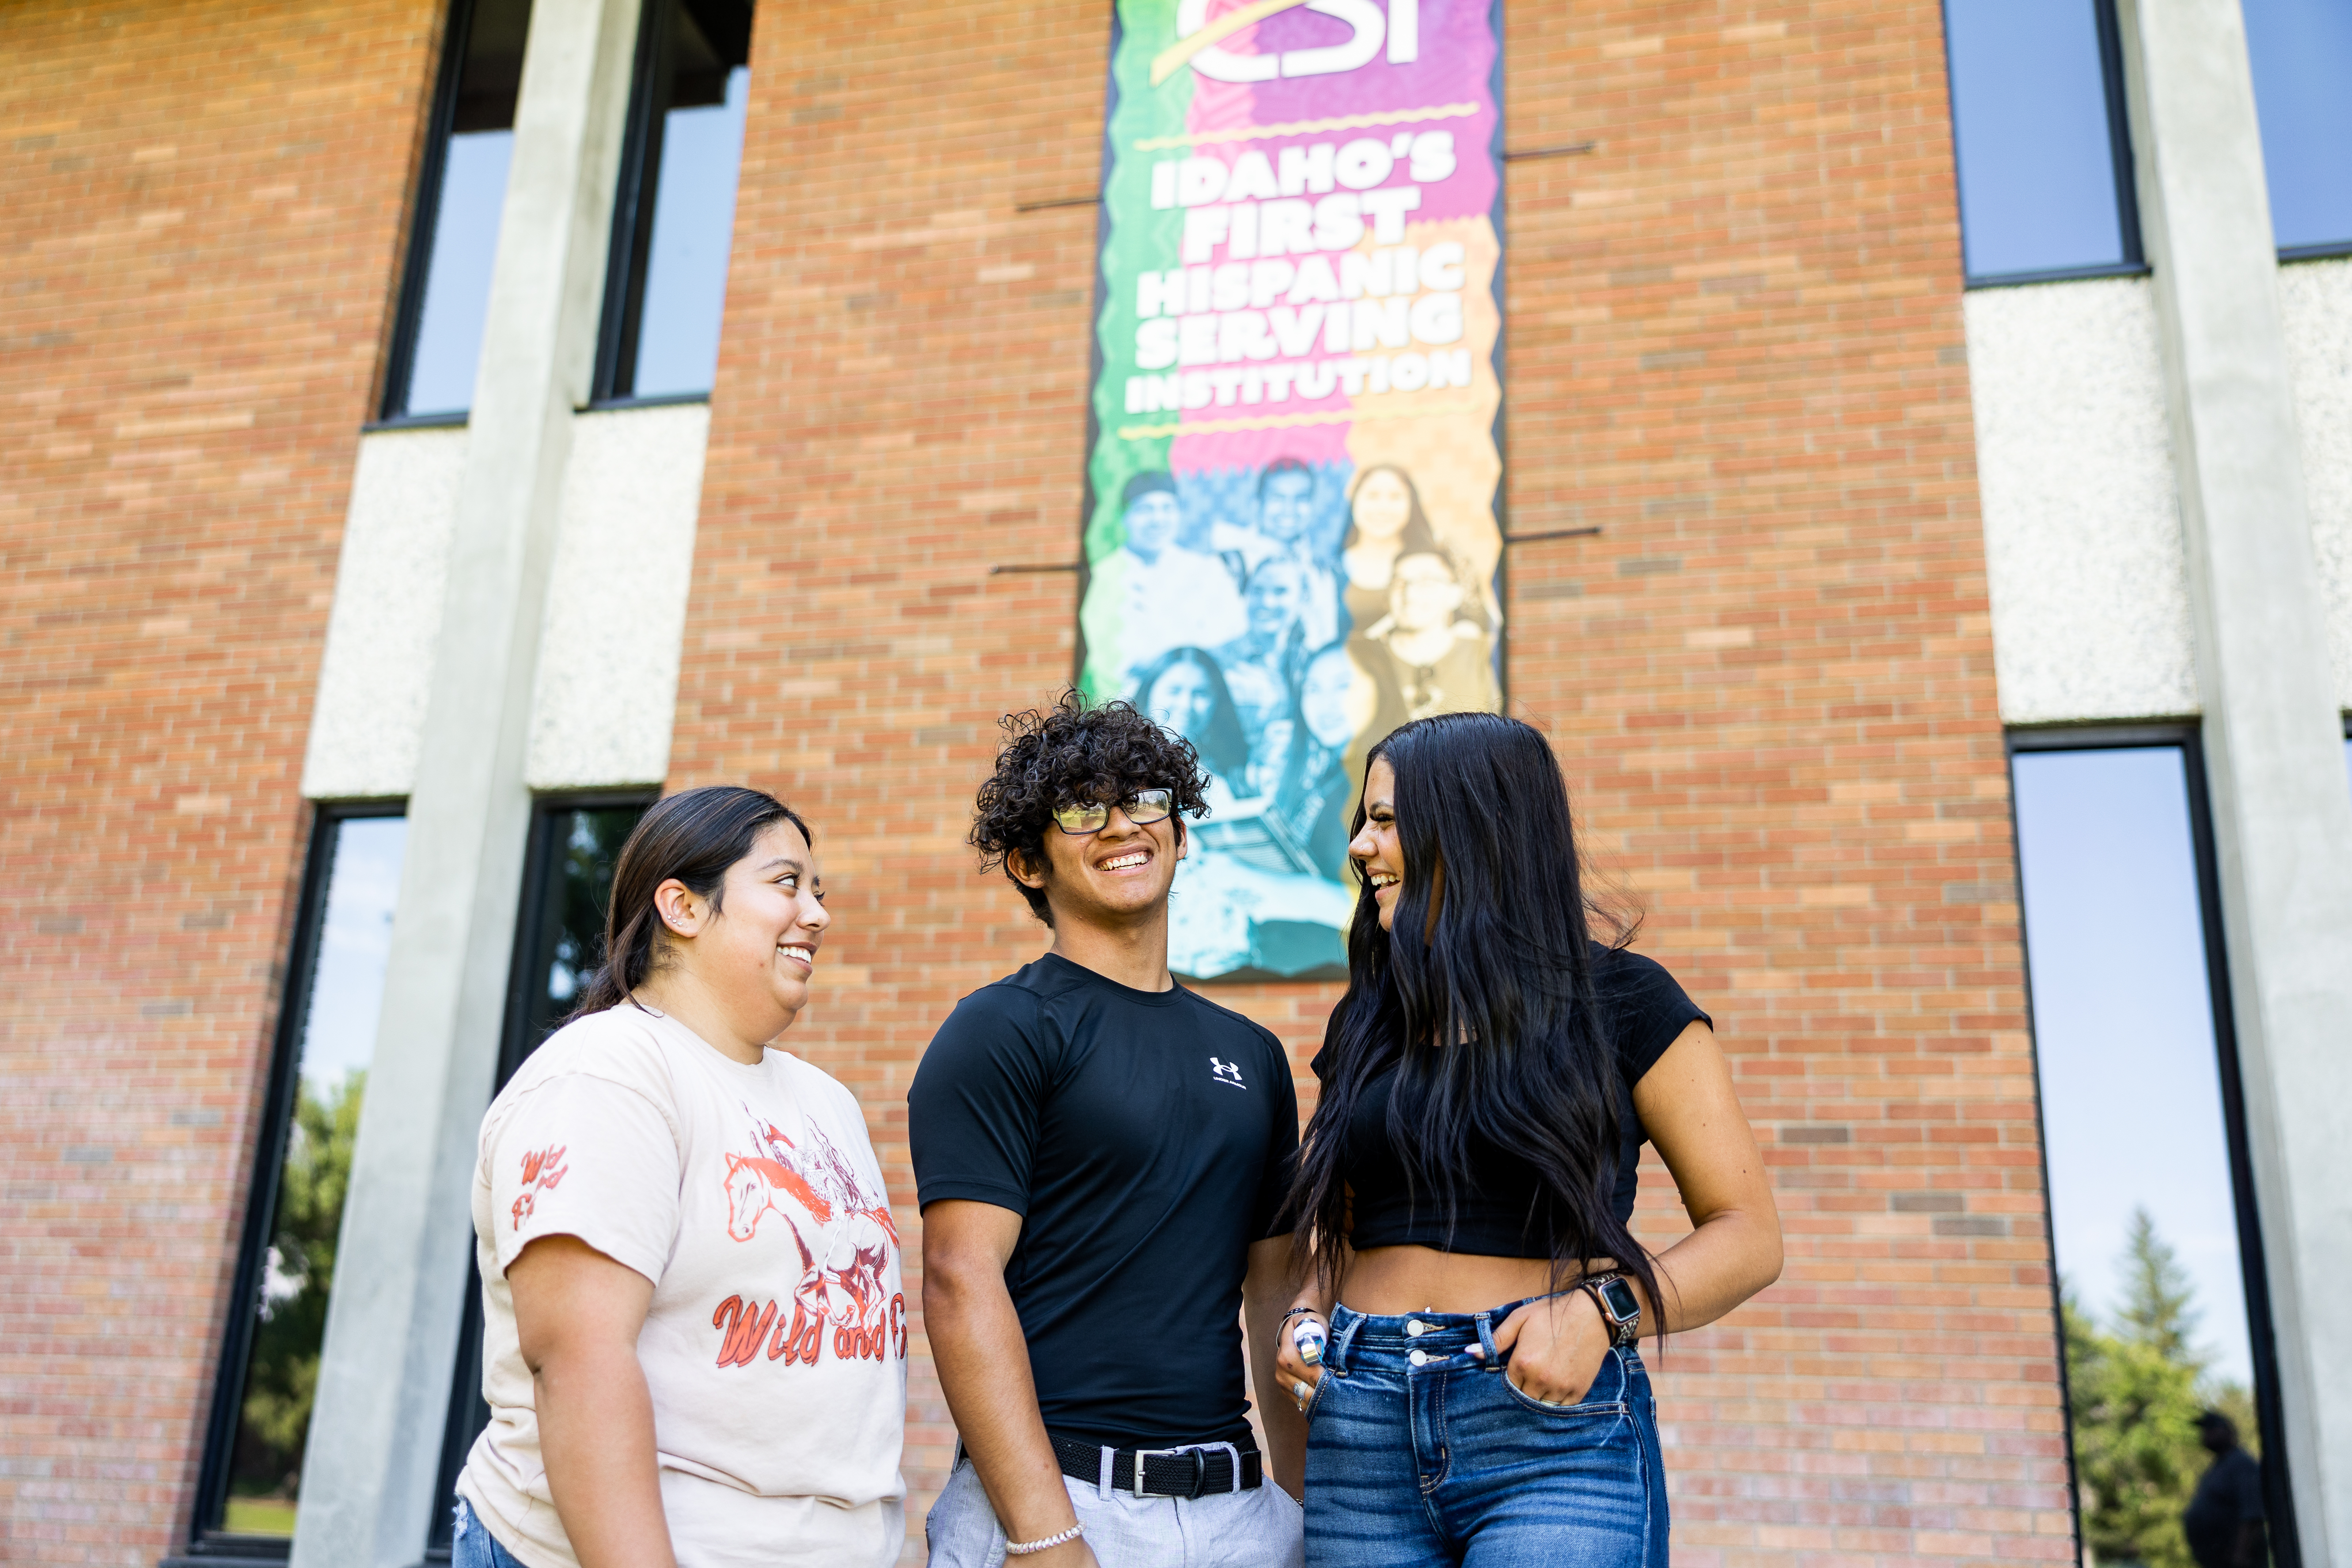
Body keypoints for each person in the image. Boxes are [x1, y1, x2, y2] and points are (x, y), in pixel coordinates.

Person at [1273, 714, 1784, 1568]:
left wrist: (1602, 1311)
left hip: (1549, 1425)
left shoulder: (1625, 1001)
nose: (1360, 846)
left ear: (1473, 827)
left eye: (1385, 819)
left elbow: (1747, 1234)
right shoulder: (1365, 1015)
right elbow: (1343, 1222)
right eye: (1361, 822)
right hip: (1359, 1424)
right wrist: (1305, 1310)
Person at [452, 786, 906, 1568]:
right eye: (787, 883)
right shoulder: (608, 1073)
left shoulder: (826, 1102)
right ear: (683, 907)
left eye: (818, 890)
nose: (818, 914)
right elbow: (578, 1360)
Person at [912, 695, 1308, 1567]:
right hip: (1063, 1503)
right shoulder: (1001, 1029)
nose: (1121, 824)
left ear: (1181, 827)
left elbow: (1275, 1293)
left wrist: (1304, 1504)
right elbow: (956, 1278)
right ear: (1027, 860)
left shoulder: (1252, 1053)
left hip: (1239, 1512)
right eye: (1082, 808)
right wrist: (1043, 1532)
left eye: (1145, 799)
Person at [1081, 471, 1247, 694]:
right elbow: (1106, 656)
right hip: (1127, 709)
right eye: (1145, 510)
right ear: (1125, 517)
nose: (1158, 520)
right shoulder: (1102, 575)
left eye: (1167, 509)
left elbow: (1232, 634)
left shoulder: (1207, 569)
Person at [1351, 547, 1499, 740]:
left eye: (1426, 583)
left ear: (1455, 594)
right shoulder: (1358, 657)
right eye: (1399, 583)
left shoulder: (1487, 653)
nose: (1410, 594)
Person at [1211, 458, 1341, 649]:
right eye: (1277, 499)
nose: (1289, 510)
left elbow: (1325, 640)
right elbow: (1217, 638)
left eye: (1301, 499)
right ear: (1257, 504)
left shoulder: (1319, 572)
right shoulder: (1231, 564)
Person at [1212, 554, 1313, 796]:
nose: (1266, 602)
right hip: (1230, 800)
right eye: (1257, 591)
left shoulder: (1316, 666)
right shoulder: (1217, 663)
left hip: (1298, 803)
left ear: (1303, 598)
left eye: (1281, 591)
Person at [1273, 643, 1362, 880]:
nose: (1326, 703)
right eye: (1313, 689)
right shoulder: (1323, 772)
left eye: (1343, 686)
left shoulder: (1386, 779)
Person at [1134, 645, 1255, 803]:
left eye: (1200, 693)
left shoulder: (1231, 774)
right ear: (1149, 691)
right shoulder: (1120, 765)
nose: (1186, 705)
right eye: (1174, 691)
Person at [2184, 1410, 2267, 1568]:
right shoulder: (2219, 1466)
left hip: (2238, 1561)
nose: (2205, 1435)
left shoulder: (2241, 1464)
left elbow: (2252, 1514)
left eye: (2210, 1429)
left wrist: (2241, 1554)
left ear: (2227, 1431)